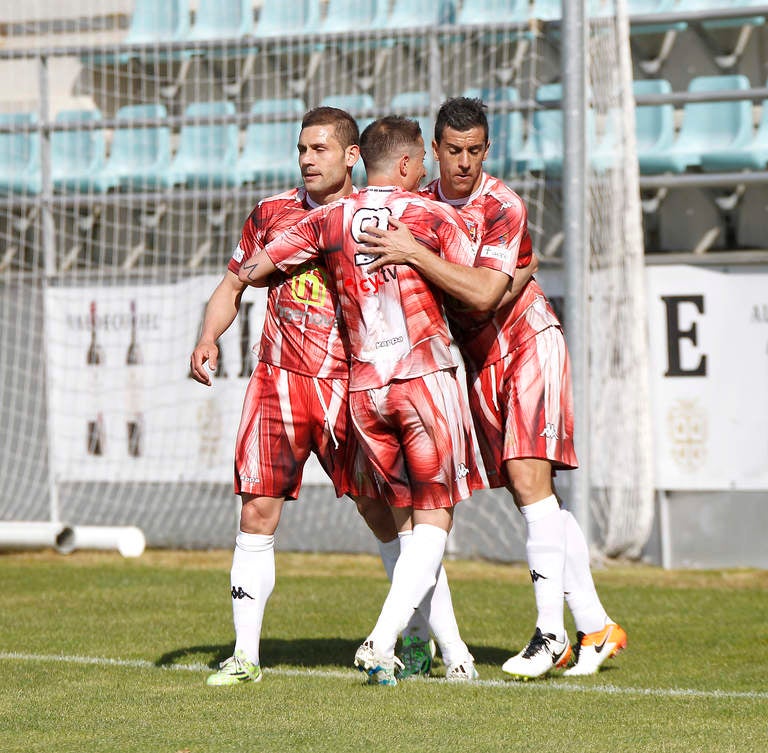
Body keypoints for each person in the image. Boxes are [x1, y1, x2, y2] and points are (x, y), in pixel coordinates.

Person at [239, 116, 515, 685]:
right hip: (422, 379)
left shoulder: (330, 218)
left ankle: (454, 653)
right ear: (413, 165)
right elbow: (480, 290)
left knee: (404, 525)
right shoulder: (434, 215)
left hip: (363, 390)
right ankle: (383, 638)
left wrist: (235, 287)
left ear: (363, 159)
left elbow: (257, 269)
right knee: (432, 518)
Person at [361, 97, 627, 678]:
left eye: (475, 150)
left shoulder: (502, 205)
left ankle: (549, 633)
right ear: (433, 151)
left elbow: (485, 296)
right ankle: (595, 625)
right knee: (532, 496)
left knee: (532, 482)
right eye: (453, 151)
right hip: (478, 361)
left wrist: (414, 253)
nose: (464, 162)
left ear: (488, 148)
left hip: (528, 341)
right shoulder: (419, 204)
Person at [190, 107, 403, 686]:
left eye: (320, 149)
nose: (307, 159)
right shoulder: (271, 214)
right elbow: (234, 282)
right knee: (256, 510)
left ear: (351, 155)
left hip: (348, 385)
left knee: (382, 511)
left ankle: (410, 636)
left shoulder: (375, 218)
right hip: (277, 382)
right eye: (302, 149)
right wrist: (209, 336)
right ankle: (246, 657)